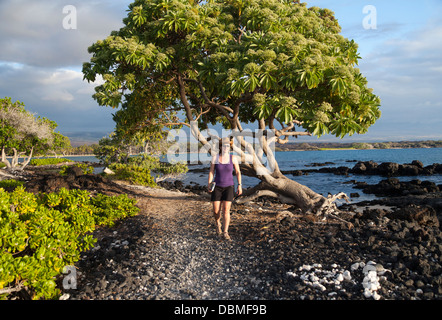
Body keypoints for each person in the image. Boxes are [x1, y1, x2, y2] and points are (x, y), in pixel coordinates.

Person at [208, 137, 242, 240]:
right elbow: (211, 172)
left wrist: (239, 185)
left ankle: (225, 232)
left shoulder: (233, 158)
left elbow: (237, 172)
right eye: (224, 145)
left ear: (229, 147)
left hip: (229, 186)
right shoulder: (215, 157)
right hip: (217, 186)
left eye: (228, 145)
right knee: (216, 210)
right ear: (220, 146)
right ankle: (218, 225)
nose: (226, 147)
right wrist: (209, 184)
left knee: (226, 210)